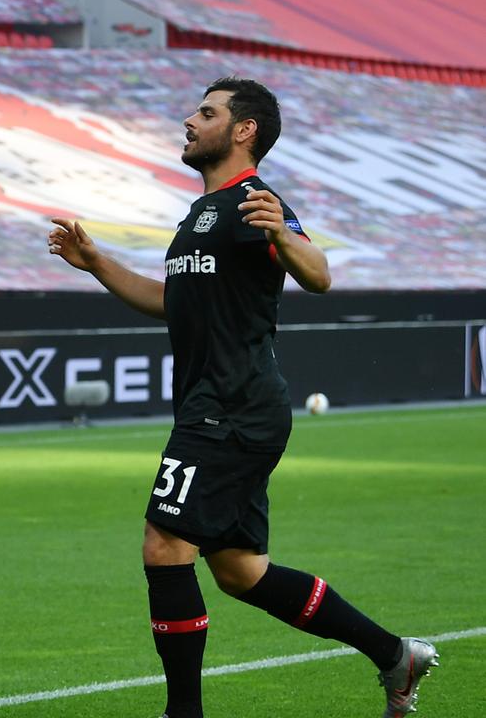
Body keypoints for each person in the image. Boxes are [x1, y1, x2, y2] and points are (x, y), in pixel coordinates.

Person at [46, 77, 437, 718]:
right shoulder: (201, 215)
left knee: (164, 544)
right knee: (240, 572)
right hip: (225, 406)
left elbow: (319, 275)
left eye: (206, 113)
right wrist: (99, 264)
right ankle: (395, 654)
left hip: (230, 406)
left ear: (244, 129)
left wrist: (284, 236)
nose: (189, 121)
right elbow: (170, 303)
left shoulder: (256, 200)